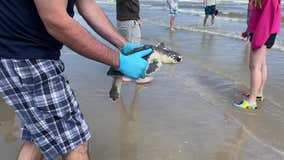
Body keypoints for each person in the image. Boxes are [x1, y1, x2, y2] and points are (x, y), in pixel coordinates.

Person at [0, 0, 153, 159]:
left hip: (29, 54)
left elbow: (87, 4)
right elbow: (56, 21)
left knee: (38, 138)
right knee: (76, 144)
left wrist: (124, 46)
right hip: (24, 57)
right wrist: (119, 61)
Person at [233, 0, 281, 109]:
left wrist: (258, 41)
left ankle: (252, 101)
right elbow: (256, 15)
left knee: (254, 66)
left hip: (263, 33)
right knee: (261, 64)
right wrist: (248, 31)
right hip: (261, 32)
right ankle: (258, 93)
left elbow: (267, 20)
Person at [116, 0, 154, 84]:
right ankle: (137, 77)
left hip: (122, 19)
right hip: (129, 20)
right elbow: (133, 4)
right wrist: (136, 17)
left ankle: (122, 70)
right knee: (135, 49)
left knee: (124, 46)